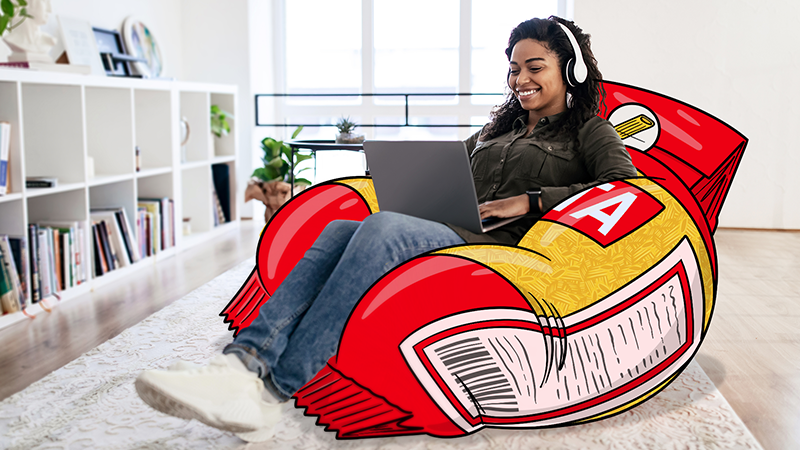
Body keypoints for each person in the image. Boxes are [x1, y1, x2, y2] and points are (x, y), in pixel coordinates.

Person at [135, 16, 637, 442]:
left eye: (535, 67)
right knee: (337, 230)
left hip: (501, 246)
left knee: (381, 230)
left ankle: (272, 390)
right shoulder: (497, 128)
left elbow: (624, 186)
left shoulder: (588, 130)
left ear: (568, 70)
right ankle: (240, 363)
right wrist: (399, 169)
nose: (520, 79)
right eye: (513, 69)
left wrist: (529, 200)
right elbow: (450, 168)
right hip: (453, 224)